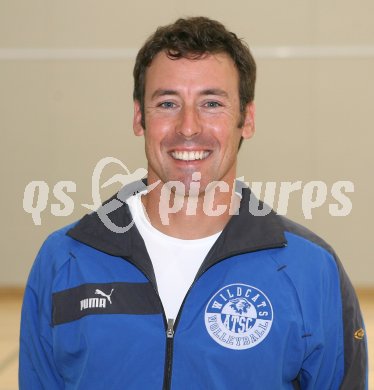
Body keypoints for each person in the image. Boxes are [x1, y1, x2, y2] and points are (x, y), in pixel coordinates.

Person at [19, 17, 367, 389]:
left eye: (212, 103)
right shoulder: (66, 260)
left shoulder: (310, 269)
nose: (188, 127)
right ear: (140, 117)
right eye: (168, 103)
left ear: (246, 119)